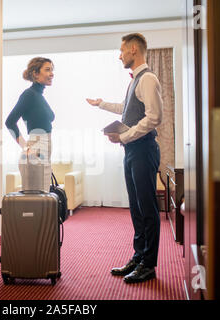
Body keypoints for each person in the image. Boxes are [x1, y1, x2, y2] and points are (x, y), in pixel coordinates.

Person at [86, 33, 163, 283]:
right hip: (132, 151)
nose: (119, 55)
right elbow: (126, 107)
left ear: (133, 49)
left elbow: (153, 118)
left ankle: (148, 264)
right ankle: (139, 256)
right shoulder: (134, 82)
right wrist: (101, 104)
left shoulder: (148, 79)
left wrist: (125, 136)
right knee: (136, 208)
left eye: (121, 51)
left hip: (143, 150)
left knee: (147, 208)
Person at [5, 57, 55, 192]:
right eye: (47, 70)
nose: (52, 73)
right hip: (35, 147)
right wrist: (26, 147)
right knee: (35, 199)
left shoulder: (39, 95)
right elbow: (9, 122)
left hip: (44, 147)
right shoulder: (29, 95)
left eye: (52, 70)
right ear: (36, 73)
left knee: (43, 197)